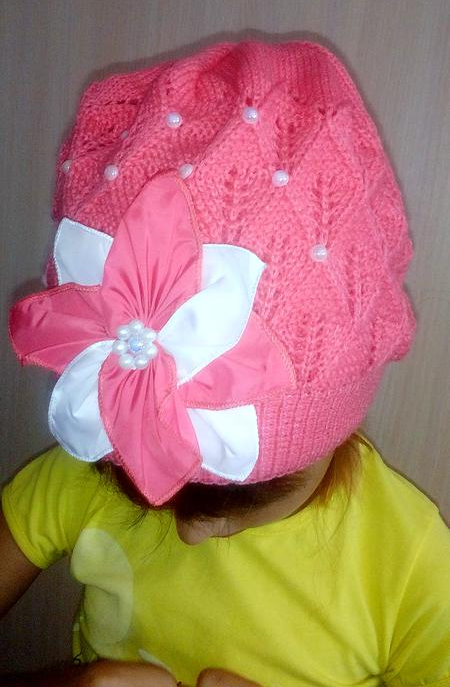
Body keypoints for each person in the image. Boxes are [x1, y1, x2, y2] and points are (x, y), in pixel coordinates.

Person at [1, 38, 449, 687]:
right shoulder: (80, 477)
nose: (189, 537)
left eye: (239, 500)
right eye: (145, 483)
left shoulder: (407, 566)